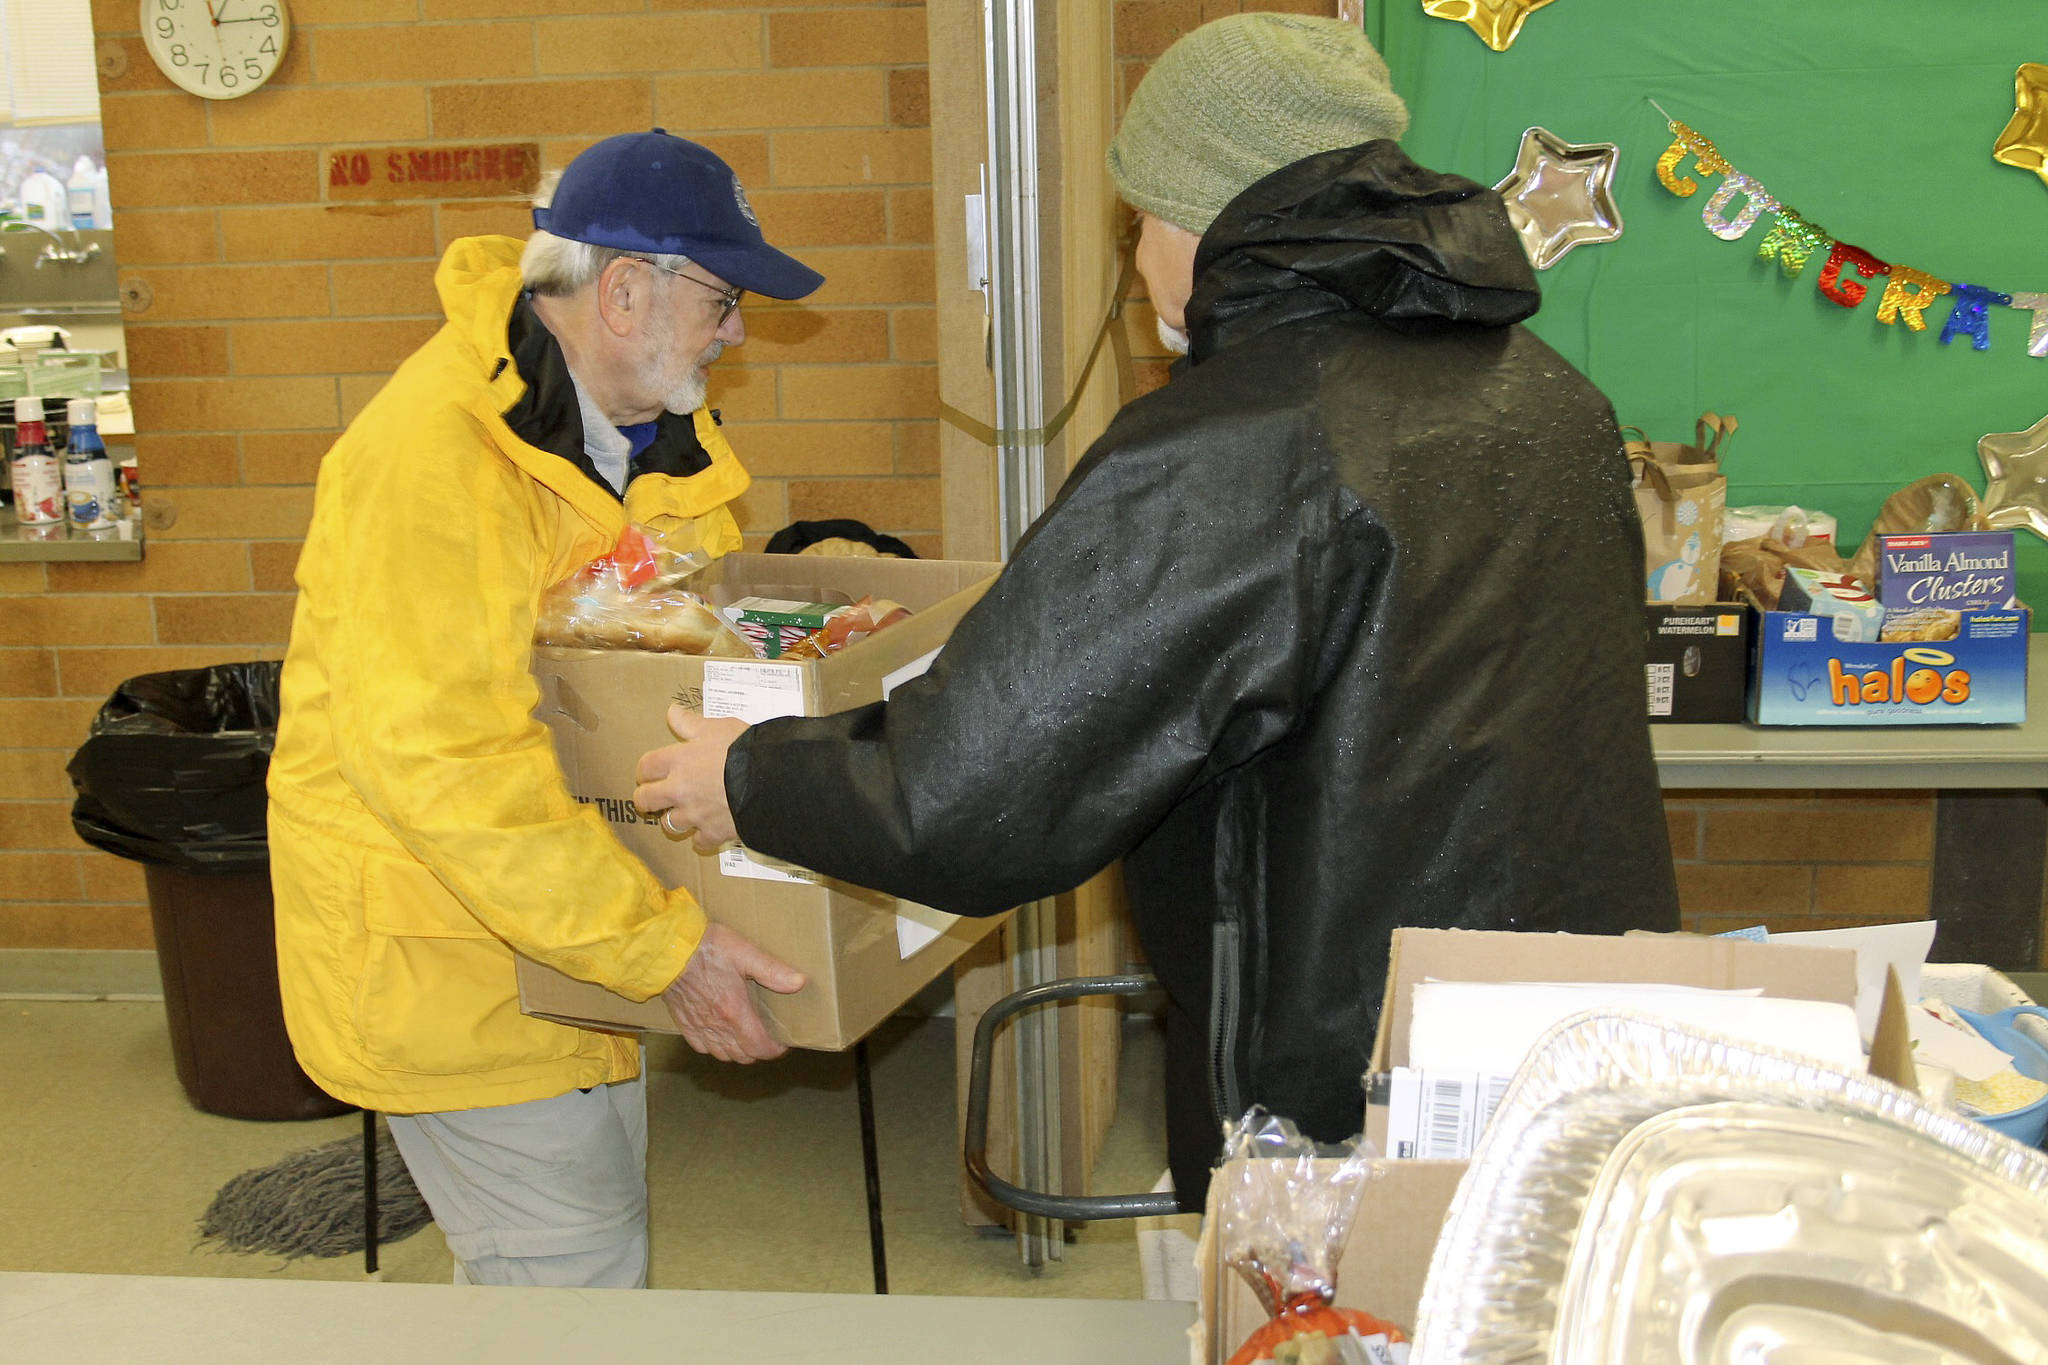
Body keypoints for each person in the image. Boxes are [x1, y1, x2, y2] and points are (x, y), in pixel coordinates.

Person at [632, 15, 1681, 1211]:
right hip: (1560, 1038)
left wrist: (749, 779)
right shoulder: (1550, 397)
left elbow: (974, 786)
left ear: (1202, 216)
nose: (1133, 261)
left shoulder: (1238, 445)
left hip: (1334, 1078)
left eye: (1137, 221)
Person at [268, 129, 821, 1287]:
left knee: (577, 1253)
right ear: (623, 292)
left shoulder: (650, 442)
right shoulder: (432, 459)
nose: (735, 332)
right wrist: (660, 949)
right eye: (721, 299)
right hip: (451, 957)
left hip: (565, 939)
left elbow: (651, 673)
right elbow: (445, 763)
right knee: (567, 1275)